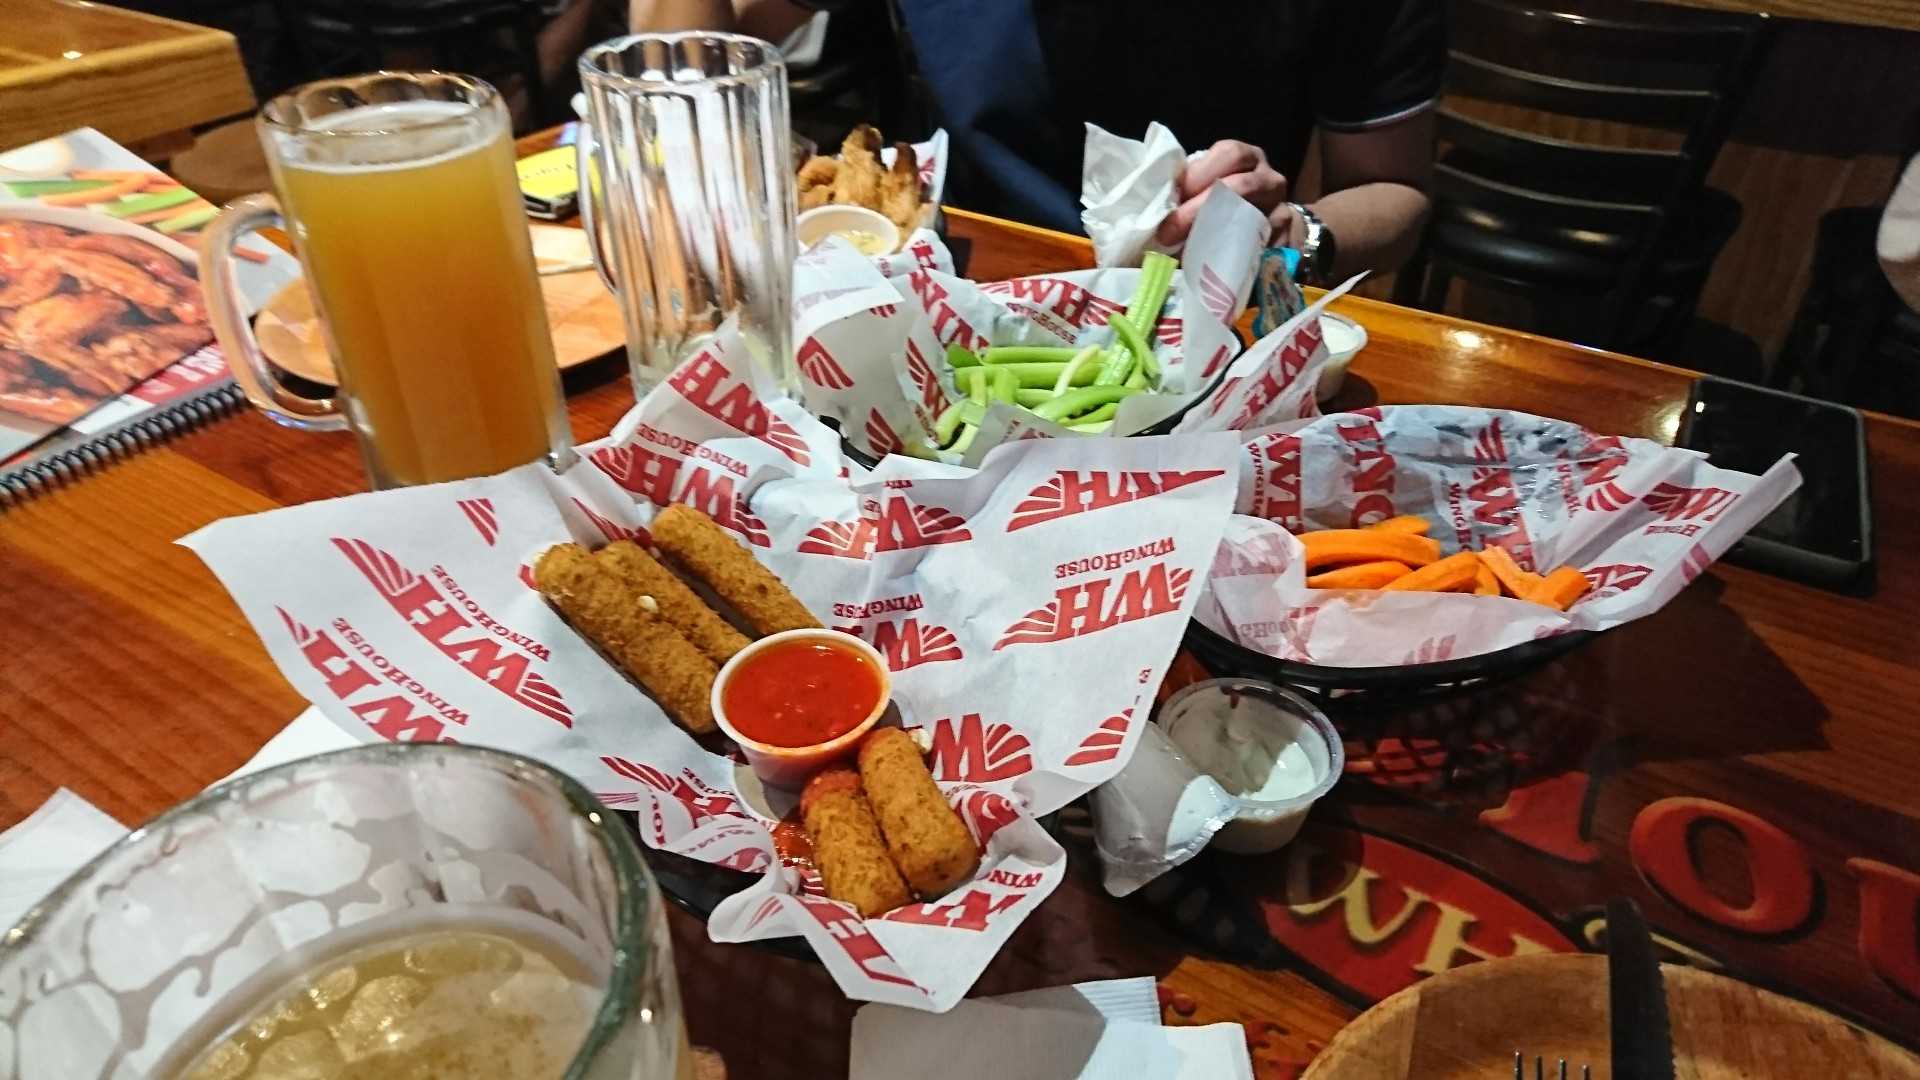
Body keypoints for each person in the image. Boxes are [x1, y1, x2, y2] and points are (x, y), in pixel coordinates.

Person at [629, 0, 1439, 283]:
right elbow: (690, 56)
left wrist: (1295, 237)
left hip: (1198, 320)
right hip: (943, 298)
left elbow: (1395, 191)